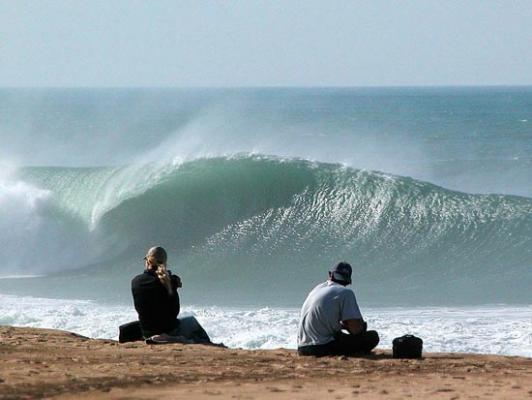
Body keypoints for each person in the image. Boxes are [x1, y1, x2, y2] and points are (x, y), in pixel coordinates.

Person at [131, 246, 212, 344]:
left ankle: (157, 337)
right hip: (169, 330)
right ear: (165, 262)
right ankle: (173, 338)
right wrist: (173, 286)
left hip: (147, 331)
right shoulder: (169, 281)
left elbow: (141, 308)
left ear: (147, 261)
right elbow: (174, 312)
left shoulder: (135, 281)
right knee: (191, 322)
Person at [297, 262, 379, 357]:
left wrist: (343, 326)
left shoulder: (317, 289)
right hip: (321, 348)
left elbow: (323, 321)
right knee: (372, 336)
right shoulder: (346, 293)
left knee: (340, 335)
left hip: (302, 347)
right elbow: (356, 329)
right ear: (348, 279)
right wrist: (359, 326)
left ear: (330, 275)